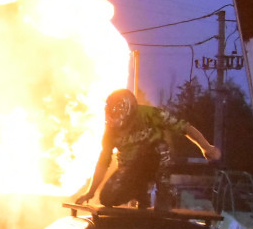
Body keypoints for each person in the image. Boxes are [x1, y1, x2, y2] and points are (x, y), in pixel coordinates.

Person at [79, 89, 222, 208]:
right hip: (129, 168)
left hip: (155, 161)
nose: (118, 127)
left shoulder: (149, 114)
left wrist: (206, 147)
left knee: (158, 147)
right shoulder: (110, 130)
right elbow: (103, 162)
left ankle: (164, 189)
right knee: (107, 198)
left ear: (129, 112)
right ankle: (139, 190)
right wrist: (90, 192)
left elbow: (185, 127)